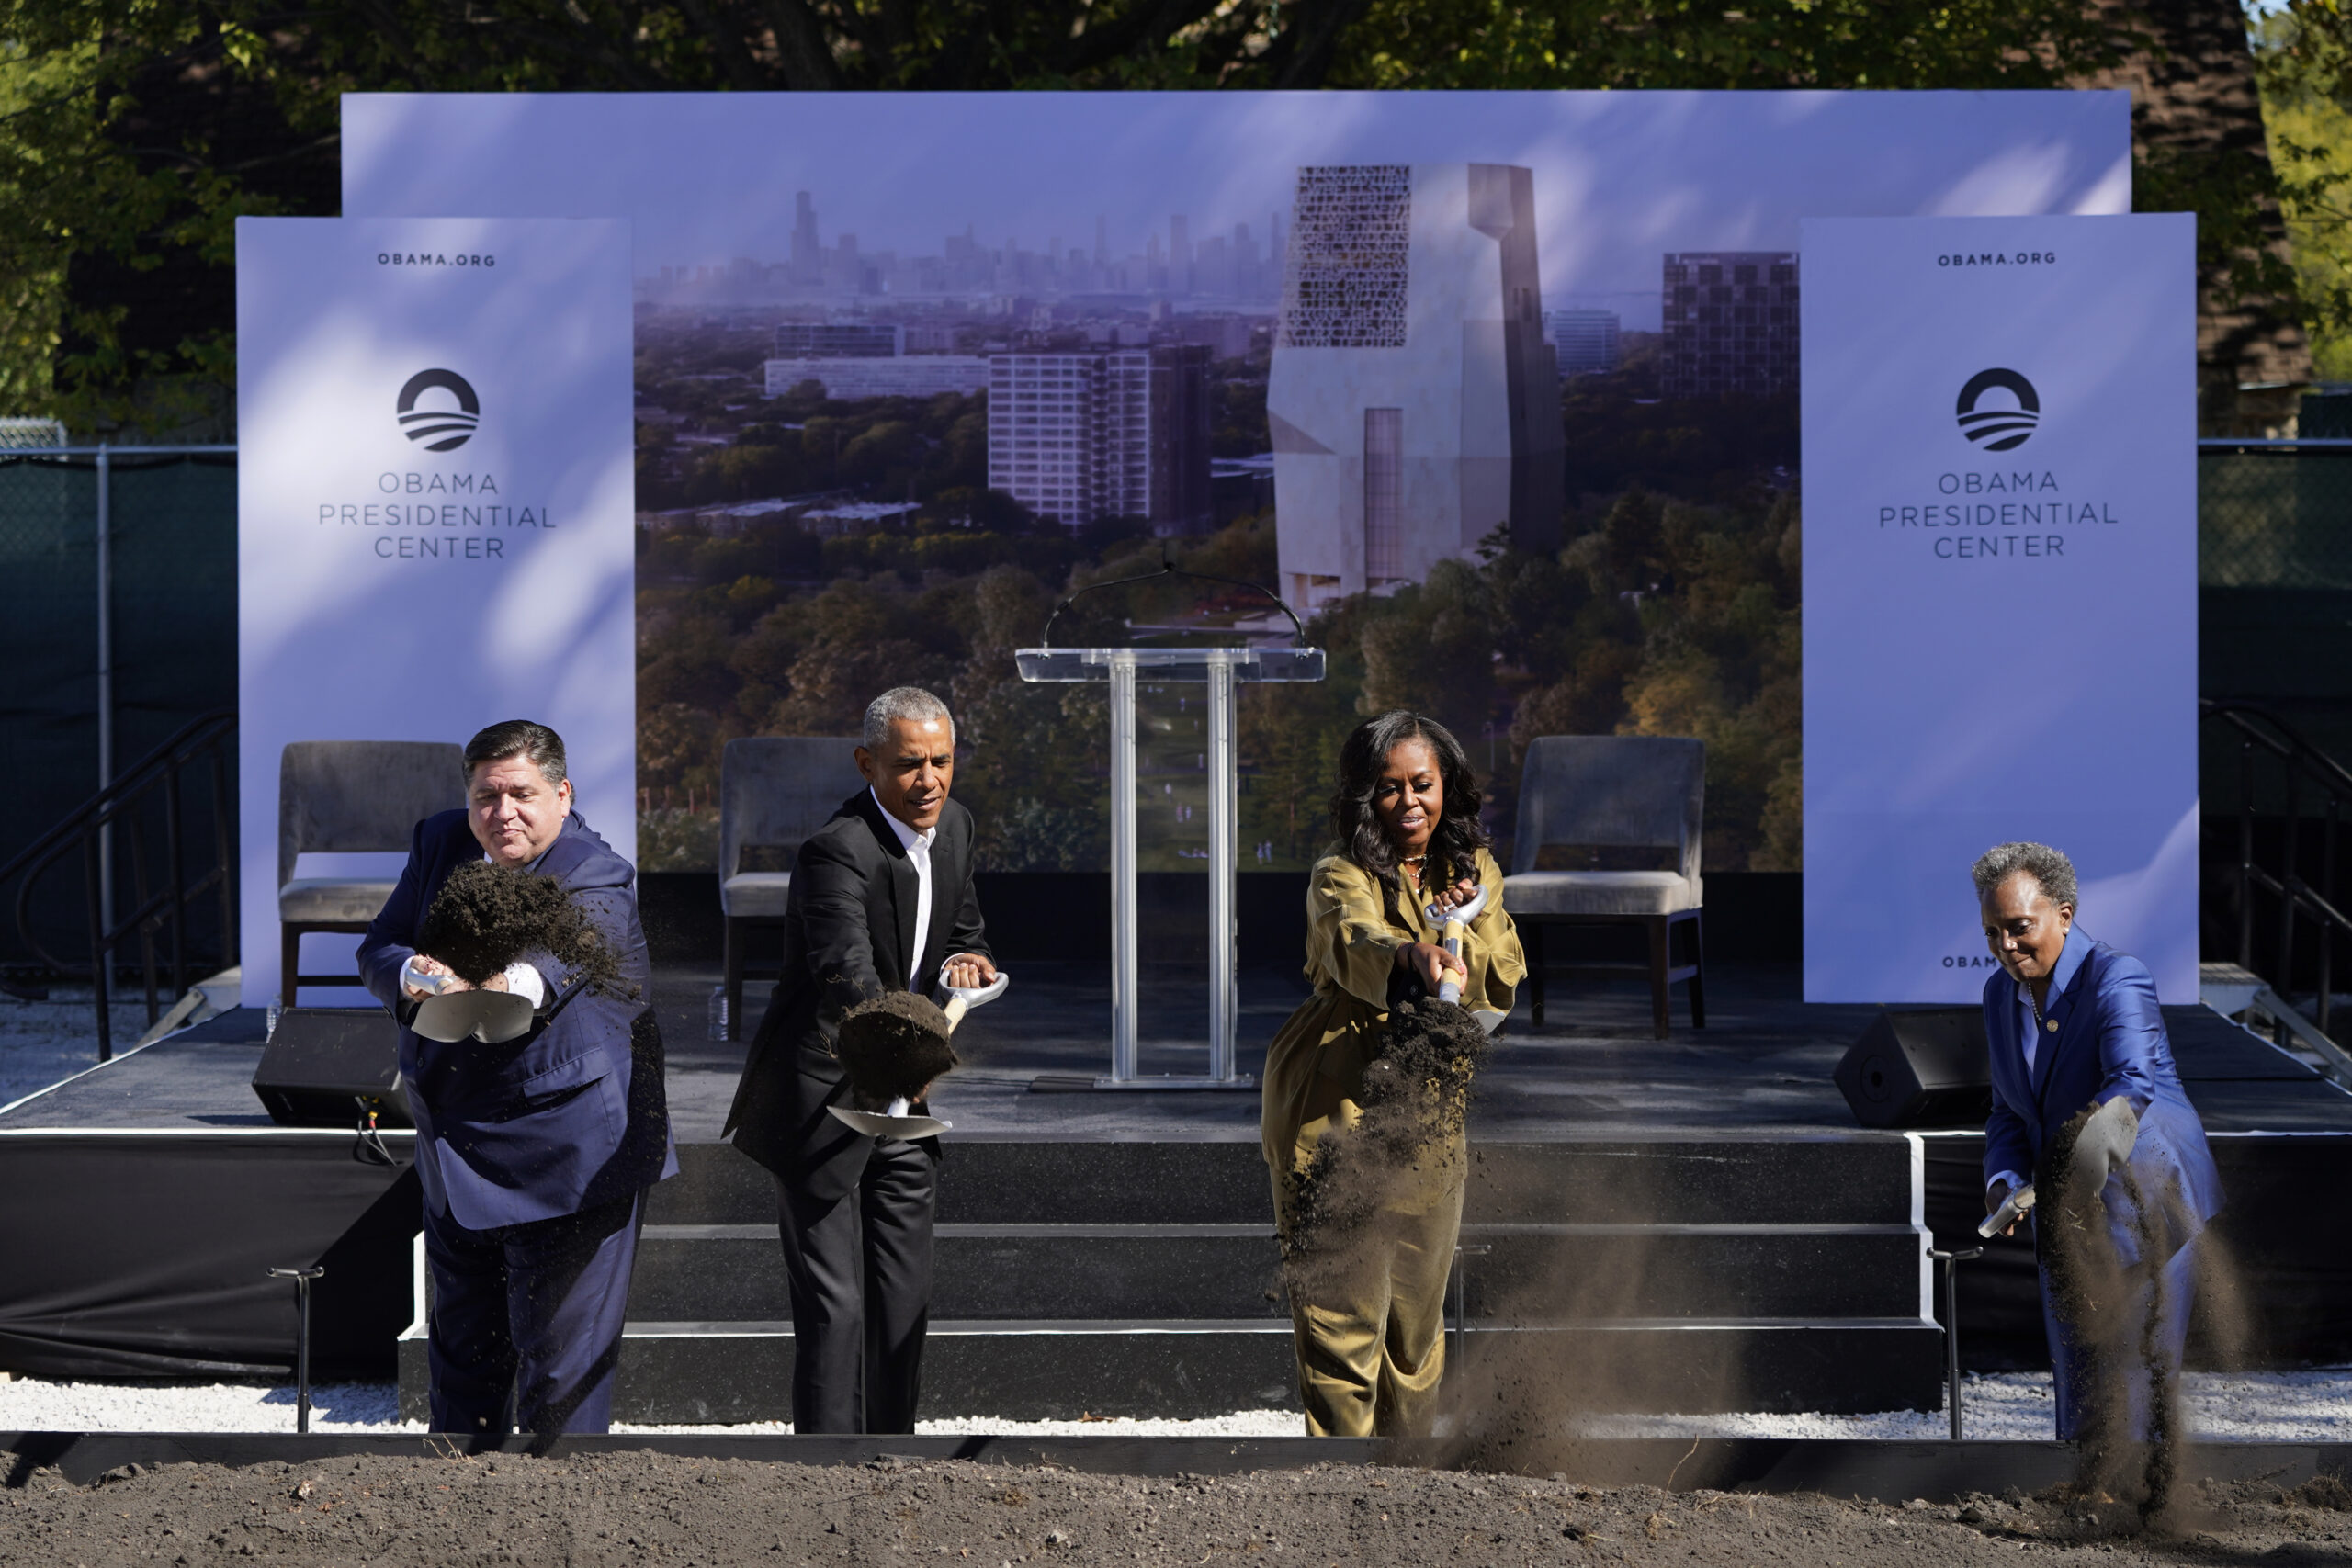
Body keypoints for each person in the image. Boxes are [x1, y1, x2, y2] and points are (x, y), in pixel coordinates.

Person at [357, 719, 675, 1438]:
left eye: (522, 794)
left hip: (570, 1158)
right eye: (486, 796)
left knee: (559, 1388)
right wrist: (413, 973)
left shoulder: (597, 869)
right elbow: (379, 945)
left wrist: (511, 983)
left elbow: (572, 947)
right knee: (462, 1376)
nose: (502, 813)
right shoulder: (439, 841)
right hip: (455, 1149)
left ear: (562, 794)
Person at [723, 686, 996, 1434]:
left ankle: (890, 1463)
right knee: (835, 1309)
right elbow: (848, 973)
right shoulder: (833, 850)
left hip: (905, 1099)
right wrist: (912, 1048)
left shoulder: (957, 828)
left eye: (943, 761)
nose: (931, 779)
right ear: (867, 762)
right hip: (820, 1101)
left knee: (902, 1301)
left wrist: (970, 960)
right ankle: (824, 1476)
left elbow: (963, 931)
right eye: (910, 764)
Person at [1261, 711, 1523, 1438]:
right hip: (1333, 1111)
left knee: (1414, 1340)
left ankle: (1409, 1506)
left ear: (1449, 787)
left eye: (1423, 784)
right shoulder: (1338, 873)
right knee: (1343, 1336)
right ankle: (1338, 1505)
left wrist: (1461, 923)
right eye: (1388, 788)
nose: (1409, 801)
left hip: (1427, 1117)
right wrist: (1409, 955)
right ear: (1363, 797)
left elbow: (1498, 983)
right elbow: (1353, 939)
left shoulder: (1476, 873)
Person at [1974, 840, 2223, 1438]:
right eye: (1991, 932)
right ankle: (2082, 1507)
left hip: (2145, 1201)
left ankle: (2146, 1519)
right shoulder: (1996, 994)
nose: (2006, 946)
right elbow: (2007, 1110)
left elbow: (2130, 1085)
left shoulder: (2118, 976)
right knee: (2078, 1382)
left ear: (2064, 914)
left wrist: (2072, 1175)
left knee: (2134, 1384)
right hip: (2064, 1215)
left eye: (2019, 927)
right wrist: (2003, 1182)